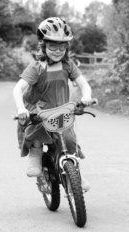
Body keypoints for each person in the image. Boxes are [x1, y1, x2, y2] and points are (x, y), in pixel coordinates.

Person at [12, 17, 93, 191]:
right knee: (36, 133)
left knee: (70, 140)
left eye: (62, 46)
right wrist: (21, 108)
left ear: (67, 47)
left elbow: (84, 84)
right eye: (53, 46)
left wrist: (86, 96)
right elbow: (17, 89)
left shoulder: (68, 66)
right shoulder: (36, 67)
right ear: (44, 46)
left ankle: (74, 175)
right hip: (39, 111)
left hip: (61, 111)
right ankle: (36, 155)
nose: (58, 50)